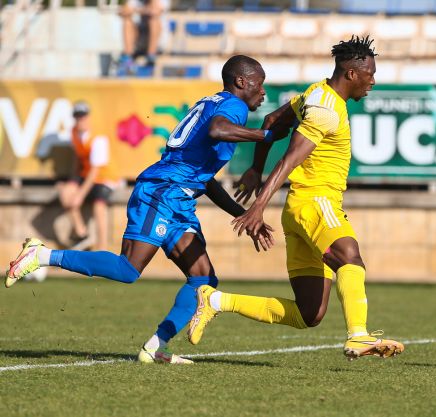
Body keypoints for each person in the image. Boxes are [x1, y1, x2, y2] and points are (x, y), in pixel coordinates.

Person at [5, 55, 288, 365]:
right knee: (128, 269)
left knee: (203, 280)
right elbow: (218, 130)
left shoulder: (215, 102)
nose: (262, 92)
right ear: (241, 82)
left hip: (177, 197)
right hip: (163, 192)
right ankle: (42, 255)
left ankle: (154, 347)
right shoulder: (232, 106)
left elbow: (204, 179)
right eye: (259, 85)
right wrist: (266, 136)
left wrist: (240, 213)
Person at [187, 36, 405, 360]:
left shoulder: (314, 93)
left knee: (310, 314)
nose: (372, 82)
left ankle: (216, 301)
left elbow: (272, 122)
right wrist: (258, 206)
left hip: (300, 210)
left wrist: (254, 169)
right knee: (349, 256)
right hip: (315, 202)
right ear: (351, 74)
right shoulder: (326, 110)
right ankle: (358, 336)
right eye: (369, 75)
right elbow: (290, 159)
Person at [57, 101, 118, 251]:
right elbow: (78, 159)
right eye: (77, 117)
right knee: (65, 192)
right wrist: (72, 182)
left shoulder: (98, 137)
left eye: (83, 117)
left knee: (98, 206)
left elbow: (95, 170)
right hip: (86, 175)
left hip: (105, 177)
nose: (80, 120)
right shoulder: (74, 132)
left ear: (88, 117)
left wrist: (80, 194)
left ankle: (102, 247)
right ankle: (82, 234)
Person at [118, 0, 168, 72]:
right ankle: (127, 57)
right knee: (127, 21)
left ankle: (151, 56)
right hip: (138, 38)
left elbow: (155, 11)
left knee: (154, 20)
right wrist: (145, 9)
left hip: (158, 41)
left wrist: (136, 10)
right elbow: (124, 11)